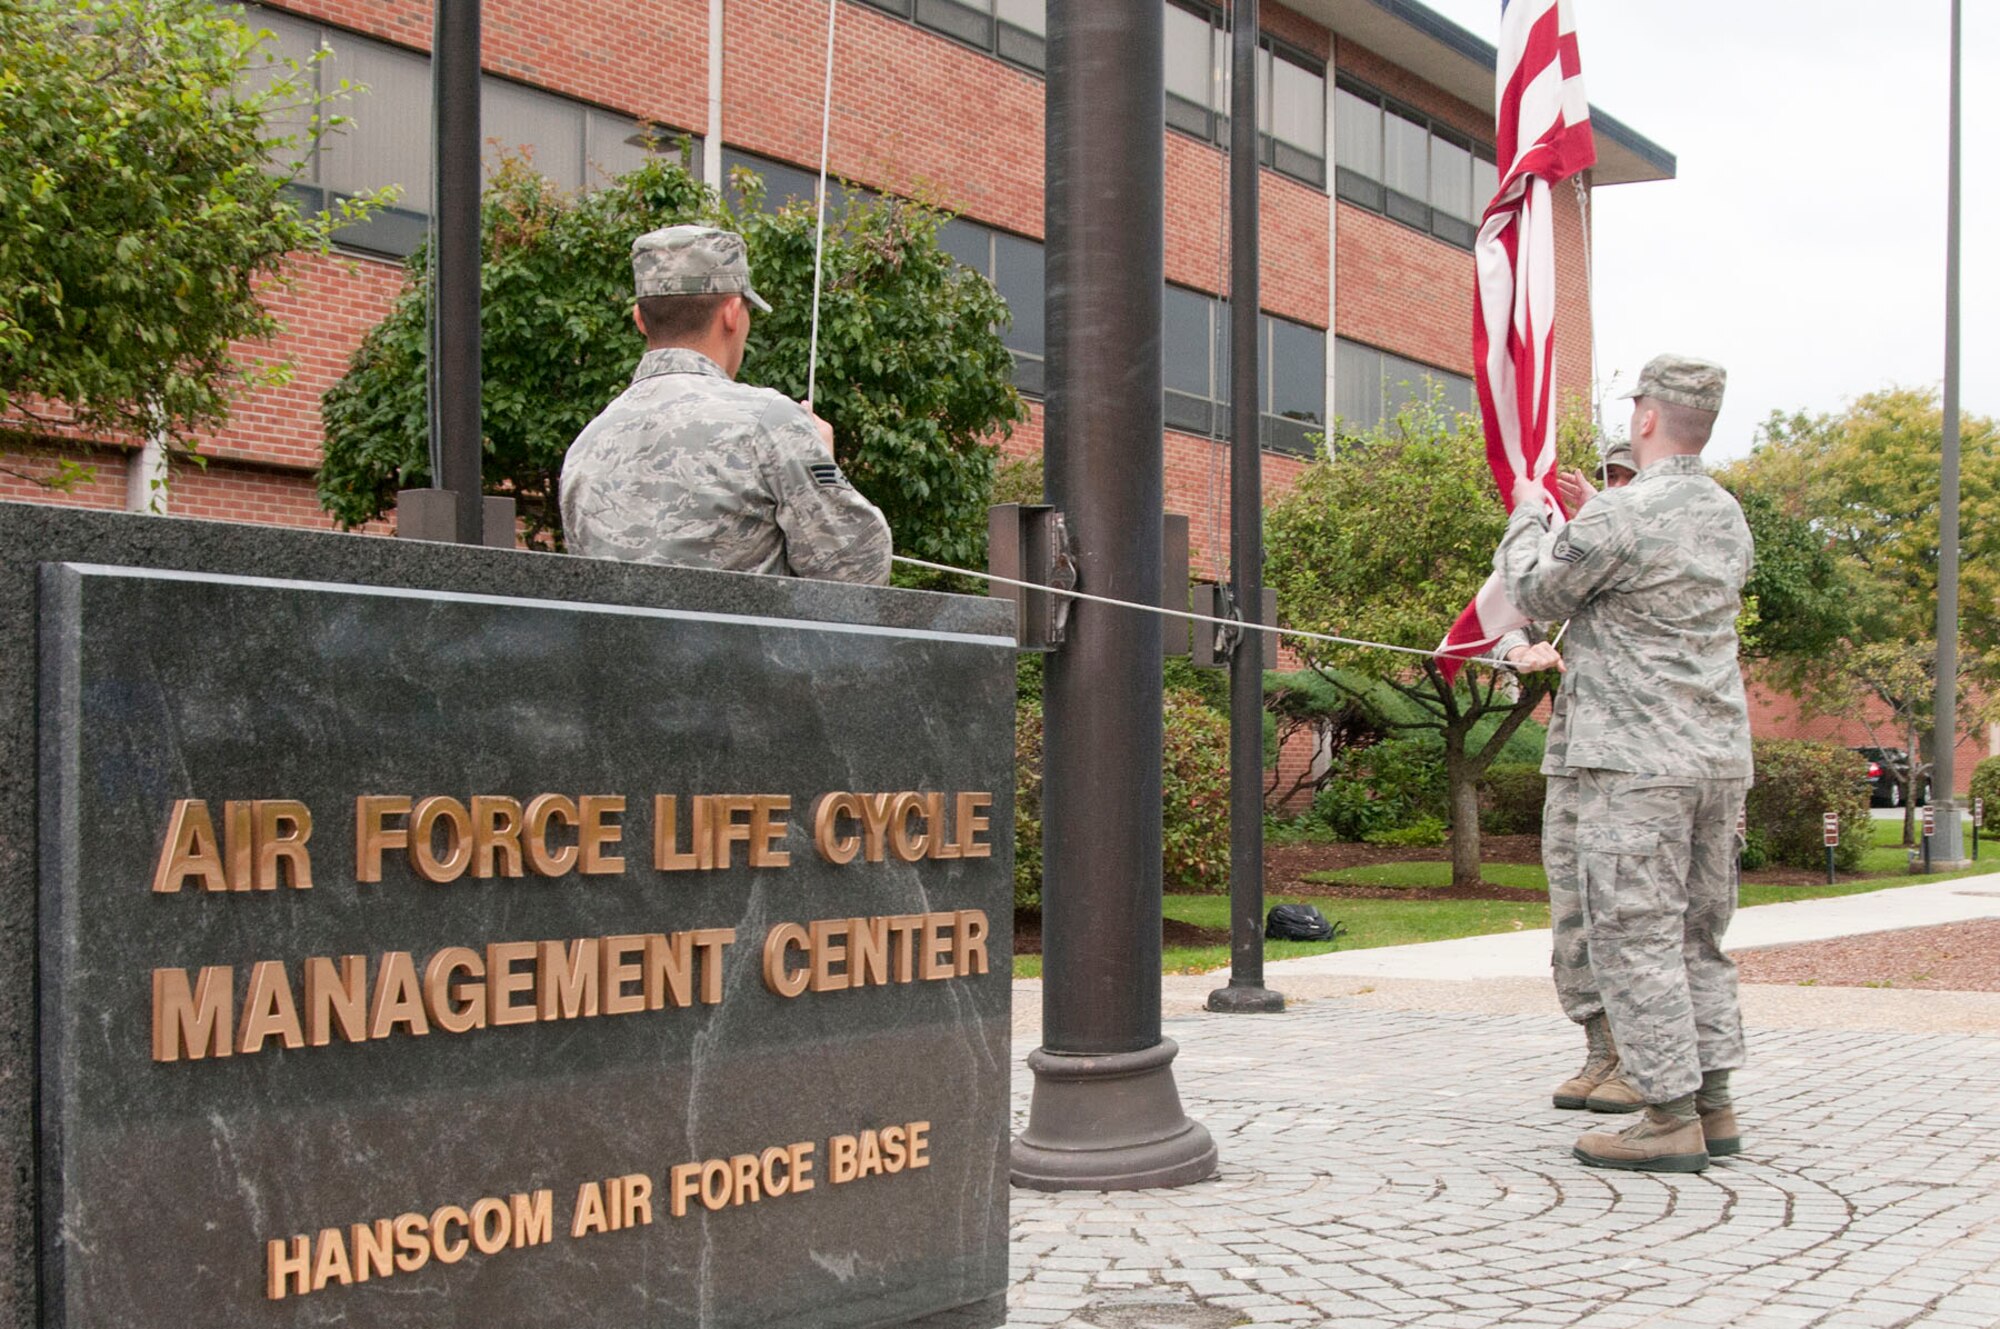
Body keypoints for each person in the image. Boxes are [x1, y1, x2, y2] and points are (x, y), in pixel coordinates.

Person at [1495, 354, 1754, 1173]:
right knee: (1697, 935)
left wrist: (1528, 517)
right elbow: (1649, 573)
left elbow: (1536, 593)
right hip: (1716, 757)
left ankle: (1667, 1114)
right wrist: (1596, 514)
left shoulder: (1619, 517)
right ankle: (1713, 1104)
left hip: (1635, 764)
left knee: (1635, 936)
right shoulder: (1725, 513)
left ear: (1645, 417)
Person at [560, 225, 892, 583]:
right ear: (732, 312)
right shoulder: (768, 423)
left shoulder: (586, 444)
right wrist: (819, 457)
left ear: (640, 320)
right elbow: (860, 578)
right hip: (739, 642)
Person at [1499, 437, 1644, 1116]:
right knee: (1573, 909)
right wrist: (1516, 649)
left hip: (1635, 760)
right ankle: (1600, 1046)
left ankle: (1642, 1057)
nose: (1610, 487)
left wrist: (1544, 517)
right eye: (1606, 477)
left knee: (1627, 911)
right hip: (1572, 754)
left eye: (1626, 478)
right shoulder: (1588, 548)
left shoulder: (1654, 543)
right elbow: (1526, 608)